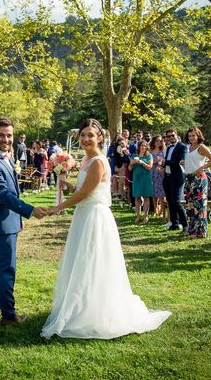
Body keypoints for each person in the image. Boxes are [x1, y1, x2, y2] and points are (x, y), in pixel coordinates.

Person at [42, 118, 170, 339]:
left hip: (94, 217)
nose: (85, 139)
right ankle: (83, 305)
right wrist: (69, 185)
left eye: (90, 135)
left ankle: (95, 311)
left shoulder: (99, 161)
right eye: (83, 135)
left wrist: (57, 208)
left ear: (100, 138)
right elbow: (84, 188)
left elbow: (85, 194)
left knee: (91, 261)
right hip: (84, 214)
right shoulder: (86, 160)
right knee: (82, 262)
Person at [0, 118, 47, 326]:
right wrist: (30, 210)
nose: (6, 139)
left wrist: (18, 219)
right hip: (0, 223)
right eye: (1, 135)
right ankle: (9, 315)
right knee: (7, 267)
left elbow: (13, 191)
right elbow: (4, 196)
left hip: (9, 221)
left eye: (9, 135)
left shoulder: (6, 158)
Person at [183, 127, 211, 238]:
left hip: (198, 179)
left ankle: (201, 231)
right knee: (190, 205)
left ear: (198, 136)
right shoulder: (189, 147)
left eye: (193, 135)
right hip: (189, 178)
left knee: (200, 205)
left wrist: (202, 167)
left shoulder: (201, 147)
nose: (191, 138)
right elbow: (193, 161)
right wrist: (184, 162)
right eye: (189, 136)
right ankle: (192, 229)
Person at [163, 129, 187, 232]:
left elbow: (179, 162)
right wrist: (163, 166)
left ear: (176, 135)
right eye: (168, 136)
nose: (170, 138)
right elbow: (168, 163)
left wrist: (165, 162)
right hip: (167, 177)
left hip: (177, 177)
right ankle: (174, 223)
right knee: (170, 201)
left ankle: (185, 225)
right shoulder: (168, 148)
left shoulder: (182, 147)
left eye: (172, 135)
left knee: (176, 202)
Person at [129, 140, 154, 223]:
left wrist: (142, 162)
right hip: (137, 178)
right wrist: (132, 163)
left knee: (146, 197)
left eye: (145, 146)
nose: (143, 147)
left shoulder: (149, 156)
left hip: (146, 178)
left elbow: (150, 168)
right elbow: (129, 169)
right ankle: (138, 216)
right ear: (139, 147)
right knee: (137, 197)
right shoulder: (134, 155)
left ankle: (146, 216)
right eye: (142, 145)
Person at [149, 135, 167, 222]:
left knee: (161, 193)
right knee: (153, 192)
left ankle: (163, 211)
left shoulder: (163, 151)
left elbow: (164, 161)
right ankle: (155, 210)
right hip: (152, 172)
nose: (159, 143)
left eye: (160, 141)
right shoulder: (150, 151)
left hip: (160, 172)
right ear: (154, 142)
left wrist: (161, 163)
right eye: (157, 141)